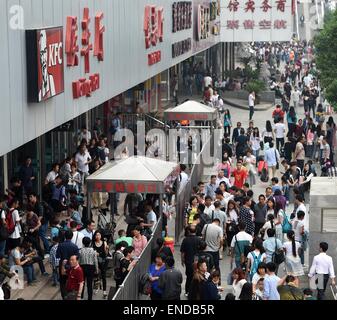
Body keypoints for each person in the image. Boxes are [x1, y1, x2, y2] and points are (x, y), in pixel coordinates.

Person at [56, 230, 80, 299]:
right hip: (71, 266)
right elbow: (77, 257)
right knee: (71, 281)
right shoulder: (75, 246)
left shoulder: (60, 245)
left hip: (62, 265)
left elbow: (57, 256)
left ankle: (64, 296)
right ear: (72, 236)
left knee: (62, 282)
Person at [180, 225, 202, 296]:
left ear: (188, 231)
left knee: (189, 277)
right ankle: (197, 291)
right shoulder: (199, 240)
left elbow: (183, 252)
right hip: (198, 262)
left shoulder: (185, 240)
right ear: (196, 231)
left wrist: (182, 260)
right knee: (198, 276)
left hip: (188, 261)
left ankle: (187, 291)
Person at [92, 230, 109, 298]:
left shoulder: (104, 242)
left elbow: (106, 254)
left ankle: (104, 291)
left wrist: (107, 249)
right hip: (95, 261)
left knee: (103, 275)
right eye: (96, 235)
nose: (97, 236)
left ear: (101, 236)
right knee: (96, 275)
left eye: (99, 235)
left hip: (103, 261)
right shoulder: (93, 243)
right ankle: (96, 287)